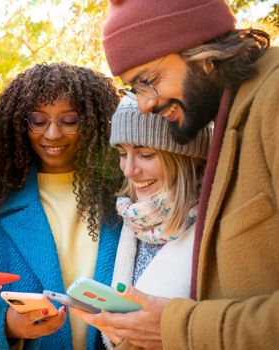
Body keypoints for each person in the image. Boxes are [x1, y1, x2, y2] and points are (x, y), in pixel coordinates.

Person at [81, 0, 278, 348]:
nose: (144, 104)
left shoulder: (272, 98)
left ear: (199, 50)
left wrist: (177, 328)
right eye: (133, 88)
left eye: (147, 80)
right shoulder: (234, 113)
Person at [0, 62, 123, 350]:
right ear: (21, 125)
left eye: (69, 120)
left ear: (93, 122)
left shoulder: (123, 197)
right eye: (38, 121)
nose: (51, 134)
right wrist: (8, 324)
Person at [71, 97, 211, 348]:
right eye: (123, 153)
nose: (128, 170)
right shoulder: (133, 218)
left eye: (145, 154)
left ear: (187, 157)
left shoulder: (213, 223)